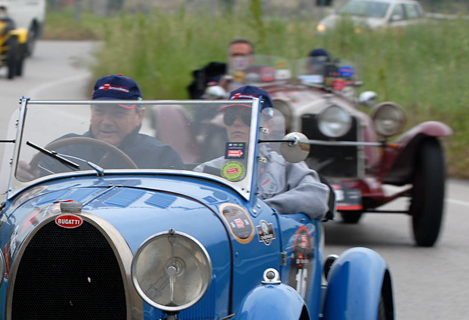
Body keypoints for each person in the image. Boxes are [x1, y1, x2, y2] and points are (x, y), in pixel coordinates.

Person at [195, 85, 330, 220]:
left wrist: (259, 210)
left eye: (248, 117)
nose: (236, 123)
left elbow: (317, 198)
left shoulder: (285, 166)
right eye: (230, 117)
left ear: (268, 126)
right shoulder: (206, 169)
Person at [17, 74, 184, 179]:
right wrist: (31, 175)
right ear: (91, 111)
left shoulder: (162, 157)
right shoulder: (63, 150)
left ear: (139, 116)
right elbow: (39, 197)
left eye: (118, 113)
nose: (107, 121)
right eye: (100, 111)